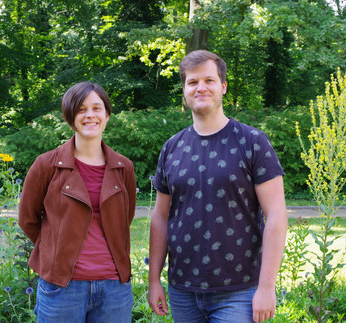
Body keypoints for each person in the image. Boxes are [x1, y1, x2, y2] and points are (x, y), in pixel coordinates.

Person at [148, 50, 288, 323]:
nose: (201, 87)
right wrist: (154, 280)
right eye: (192, 82)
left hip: (239, 290)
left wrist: (267, 287)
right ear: (185, 91)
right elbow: (160, 218)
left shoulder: (253, 141)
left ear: (223, 86)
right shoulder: (171, 148)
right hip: (182, 290)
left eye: (209, 80)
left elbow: (276, 216)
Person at [18, 81, 136, 323]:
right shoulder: (46, 165)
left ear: (107, 115)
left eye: (97, 108)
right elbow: (28, 219)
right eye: (81, 109)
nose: (90, 115)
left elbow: (126, 218)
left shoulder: (123, 167)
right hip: (62, 287)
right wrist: (56, 250)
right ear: (69, 117)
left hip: (114, 288)